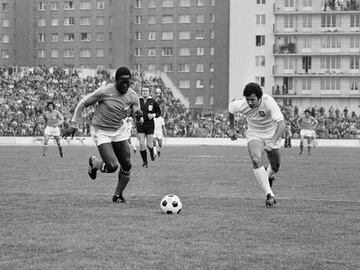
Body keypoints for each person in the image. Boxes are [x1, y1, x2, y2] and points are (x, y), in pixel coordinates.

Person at [62, 66, 143, 203]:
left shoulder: (132, 96)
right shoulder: (104, 91)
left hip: (119, 130)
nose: (125, 85)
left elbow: (138, 120)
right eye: (122, 81)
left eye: (127, 82)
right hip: (101, 131)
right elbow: (83, 103)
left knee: (127, 165)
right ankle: (94, 163)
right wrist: (73, 124)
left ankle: (117, 195)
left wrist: (139, 118)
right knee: (112, 166)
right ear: (115, 80)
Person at [228, 82, 285, 207]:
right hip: (254, 134)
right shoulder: (242, 104)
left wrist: (273, 141)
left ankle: (268, 175)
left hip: (271, 134)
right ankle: (269, 195)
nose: (250, 103)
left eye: (252, 100)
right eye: (248, 100)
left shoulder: (269, 102)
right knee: (256, 160)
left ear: (259, 97)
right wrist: (232, 128)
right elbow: (231, 109)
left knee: (275, 167)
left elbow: (281, 124)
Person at [136, 85, 161, 167]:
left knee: (149, 145)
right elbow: (134, 111)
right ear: (141, 92)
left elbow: (158, 113)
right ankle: (145, 162)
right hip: (140, 125)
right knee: (142, 144)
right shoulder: (138, 101)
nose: (145, 92)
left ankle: (151, 152)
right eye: (143, 90)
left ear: (149, 92)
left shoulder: (153, 101)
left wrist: (153, 115)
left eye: (146, 90)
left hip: (150, 125)